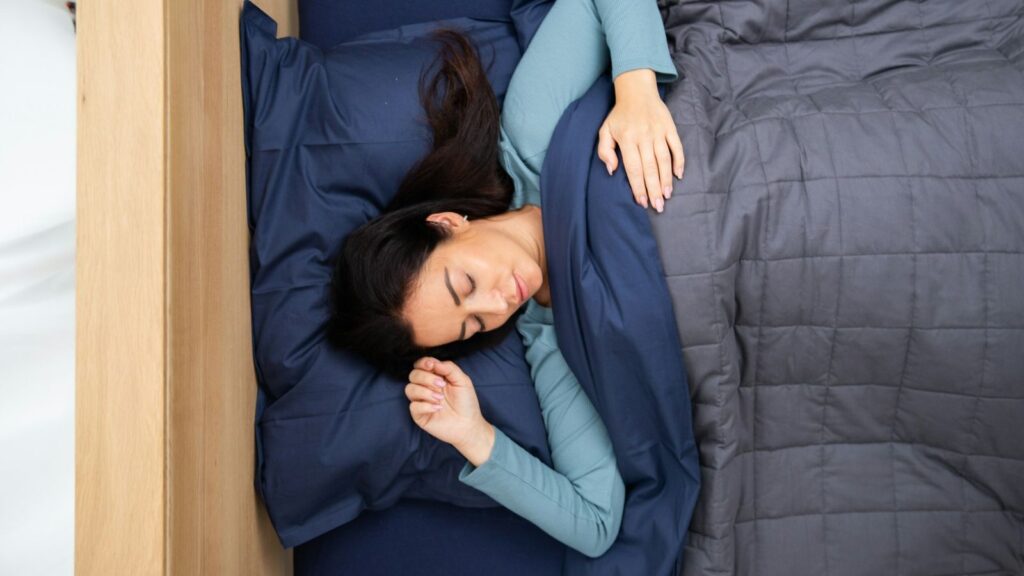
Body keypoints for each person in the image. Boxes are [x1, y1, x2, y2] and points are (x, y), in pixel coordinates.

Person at [327, 0, 683, 559]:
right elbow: (594, 524)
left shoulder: (531, 135)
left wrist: (636, 92)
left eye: (466, 285)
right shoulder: (553, 345)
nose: (497, 306)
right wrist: (476, 437)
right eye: (473, 325)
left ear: (447, 223)